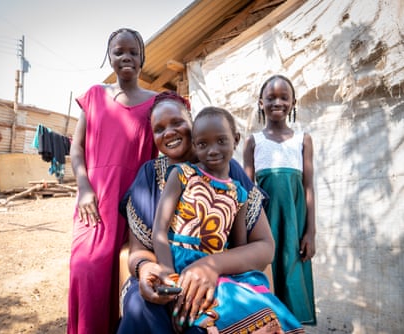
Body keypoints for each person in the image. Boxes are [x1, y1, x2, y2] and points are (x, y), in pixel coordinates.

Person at [117, 92, 304, 333]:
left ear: (191, 122)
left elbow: (263, 245)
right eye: (159, 129)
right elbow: (136, 250)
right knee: (140, 305)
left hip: (218, 279)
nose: (169, 132)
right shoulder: (149, 176)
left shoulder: (227, 171)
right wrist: (145, 268)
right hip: (163, 277)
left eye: (177, 122)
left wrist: (211, 266)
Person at [68, 28, 158, 333]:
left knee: (127, 276)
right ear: (110, 57)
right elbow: (76, 149)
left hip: (138, 203)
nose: (126, 57)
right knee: (87, 269)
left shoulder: (156, 103)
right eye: (119, 52)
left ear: (142, 58)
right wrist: (83, 188)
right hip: (96, 200)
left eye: (133, 51)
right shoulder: (95, 96)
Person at [243, 74, 317, 325]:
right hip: (264, 224)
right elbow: (246, 190)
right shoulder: (254, 141)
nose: (278, 102)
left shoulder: (302, 139)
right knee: (267, 274)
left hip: (295, 223)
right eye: (271, 97)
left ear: (293, 102)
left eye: (284, 97)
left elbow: (308, 187)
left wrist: (311, 233)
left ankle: (293, 327)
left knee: (293, 273)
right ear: (260, 102)